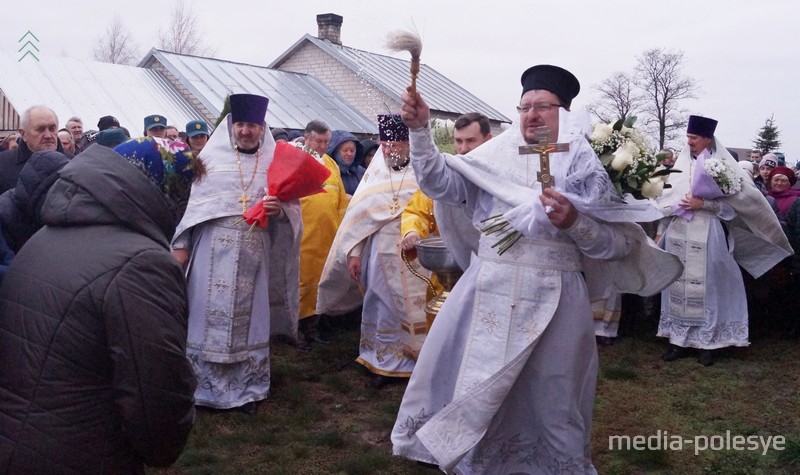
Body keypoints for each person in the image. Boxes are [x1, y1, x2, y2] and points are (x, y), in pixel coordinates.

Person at [390, 64, 681, 473]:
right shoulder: (493, 155)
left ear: (564, 113)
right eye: (524, 106)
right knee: (474, 375)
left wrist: (574, 223)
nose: (531, 115)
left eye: (543, 106)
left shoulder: (590, 166)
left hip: (558, 297)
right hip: (490, 285)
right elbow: (441, 185)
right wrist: (420, 131)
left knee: (553, 389)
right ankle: (477, 457)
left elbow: (616, 244)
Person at [0, 137, 203, 473]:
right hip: (82, 452)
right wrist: (164, 444)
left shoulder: (49, 232)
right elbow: (155, 392)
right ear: (169, 192)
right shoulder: (143, 264)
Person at [171, 93, 303, 414]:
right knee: (205, 318)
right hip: (210, 251)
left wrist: (279, 208)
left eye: (253, 125)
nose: (246, 131)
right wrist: (181, 246)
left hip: (253, 252)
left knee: (251, 321)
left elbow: (292, 210)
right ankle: (203, 389)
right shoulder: (210, 161)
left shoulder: (273, 163)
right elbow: (191, 209)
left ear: (262, 128)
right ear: (231, 126)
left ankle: (247, 389)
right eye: (241, 124)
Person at [656, 115, 791, 366]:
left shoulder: (724, 168)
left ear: (708, 139)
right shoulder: (679, 167)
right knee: (677, 284)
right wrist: (670, 211)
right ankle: (677, 340)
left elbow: (733, 212)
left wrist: (703, 204)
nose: (689, 141)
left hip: (709, 234)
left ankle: (707, 342)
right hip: (678, 235)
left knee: (709, 287)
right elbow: (663, 202)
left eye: (694, 137)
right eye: (688, 137)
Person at [317, 114, 429, 389]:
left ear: (408, 143)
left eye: (396, 143)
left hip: (415, 254)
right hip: (378, 252)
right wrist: (354, 253)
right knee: (380, 304)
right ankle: (381, 360)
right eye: (385, 143)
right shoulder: (374, 176)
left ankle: (419, 360)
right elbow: (358, 220)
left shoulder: (423, 174)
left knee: (416, 307)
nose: (389, 149)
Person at [295, 123, 350, 348]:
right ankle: (295, 330)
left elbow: (340, 199)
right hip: (302, 235)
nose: (323, 146)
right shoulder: (295, 160)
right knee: (300, 283)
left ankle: (314, 328)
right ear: (306, 139)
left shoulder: (331, 164)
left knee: (321, 282)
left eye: (327, 142)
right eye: (319, 141)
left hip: (328, 235)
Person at [0, 106, 71, 194]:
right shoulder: (3, 165)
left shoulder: (74, 163)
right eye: (40, 129)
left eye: (52, 128)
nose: (48, 135)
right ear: (24, 134)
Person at [328, 129, 365, 196]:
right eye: (345, 150)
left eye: (352, 150)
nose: (349, 154)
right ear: (335, 151)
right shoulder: (329, 172)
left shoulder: (361, 172)